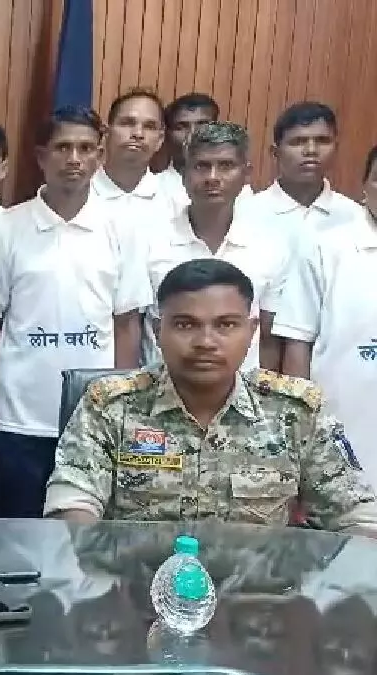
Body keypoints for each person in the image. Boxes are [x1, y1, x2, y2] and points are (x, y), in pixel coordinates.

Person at [45, 258, 377, 535]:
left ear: (251, 331)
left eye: (226, 325)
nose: (206, 342)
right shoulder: (110, 406)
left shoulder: (294, 412)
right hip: (135, 587)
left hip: (258, 590)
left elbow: (357, 518)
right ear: (158, 331)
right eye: (185, 325)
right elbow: (72, 507)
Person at [0, 106, 150, 519]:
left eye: (85, 148)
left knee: (83, 537)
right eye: (62, 148)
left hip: (93, 415)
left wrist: (122, 404)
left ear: (99, 156)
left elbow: (126, 323)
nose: (73, 159)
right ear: (41, 156)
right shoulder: (7, 227)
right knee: (16, 532)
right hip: (18, 414)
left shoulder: (122, 227)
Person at [140, 122, 289, 370]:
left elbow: (268, 337)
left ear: (246, 174)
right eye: (201, 166)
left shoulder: (270, 245)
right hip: (162, 385)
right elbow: (130, 327)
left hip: (242, 386)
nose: (212, 177)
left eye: (226, 166)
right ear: (184, 175)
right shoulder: (150, 240)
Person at [275, 145, 377, 492]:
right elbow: (296, 341)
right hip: (342, 431)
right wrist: (298, 434)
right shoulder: (326, 247)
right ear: (365, 186)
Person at [244, 101, 363, 253]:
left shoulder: (357, 217)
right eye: (298, 142)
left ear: (336, 149)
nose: (311, 150)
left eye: (322, 141)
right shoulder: (245, 213)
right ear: (275, 152)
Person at [157, 93, 252, 215]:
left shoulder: (238, 187)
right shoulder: (154, 187)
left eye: (202, 125)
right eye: (181, 127)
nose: (192, 134)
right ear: (166, 134)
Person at [91, 89, 171, 220]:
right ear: (106, 133)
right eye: (127, 123)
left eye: (149, 126)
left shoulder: (178, 201)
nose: (138, 134)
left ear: (160, 140)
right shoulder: (76, 194)